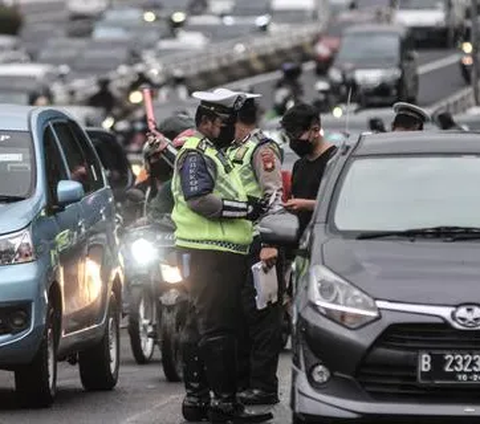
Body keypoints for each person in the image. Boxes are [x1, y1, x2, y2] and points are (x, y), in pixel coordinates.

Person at [172, 89, 273, 423]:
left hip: (218, 251)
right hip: (209, 252)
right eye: (223, 122)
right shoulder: (197, 153)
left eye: (231, 122)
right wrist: (245, 210)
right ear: (205, 122)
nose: (230, 128)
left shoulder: (217, 151)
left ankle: (199, 400)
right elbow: (199, 199)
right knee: (216, 328)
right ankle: (222, 404)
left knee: (202, 324)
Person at [222, 90, 284, 406]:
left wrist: (271, 242)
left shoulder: (262, 150)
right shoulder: (234, 149)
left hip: (262, 244)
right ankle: (245, 381)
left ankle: (264, 386)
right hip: (239, 244)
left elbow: (274, 198)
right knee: (243, 316)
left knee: (262, 318)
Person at [280, 103, 337, 236]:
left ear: (315, 130)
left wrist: (308, 205)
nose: (293, 141)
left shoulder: (335, 161)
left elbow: (342, 205)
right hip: (300, 241)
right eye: (289, 136)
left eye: (297, 135)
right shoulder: (299, 165)